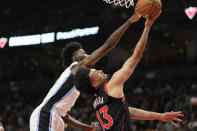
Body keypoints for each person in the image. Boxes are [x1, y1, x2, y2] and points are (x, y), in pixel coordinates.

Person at [74, 11, 184, 131]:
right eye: (96, 73)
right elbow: (136, 56)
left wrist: (160, 116)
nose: (100, 70)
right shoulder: (111, 85)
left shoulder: (96, 101)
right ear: (94, 83)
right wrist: (147, 27)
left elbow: (127, 111)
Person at [30, 13, 141, 131]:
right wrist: (129, 22)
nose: (87, 55)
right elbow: (108, 45)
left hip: (56, 117)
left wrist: (88, 128)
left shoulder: (76, 80)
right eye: (82, 52)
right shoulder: (75, 67)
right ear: (74, 57)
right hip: (47, 114)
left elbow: (65, 116)